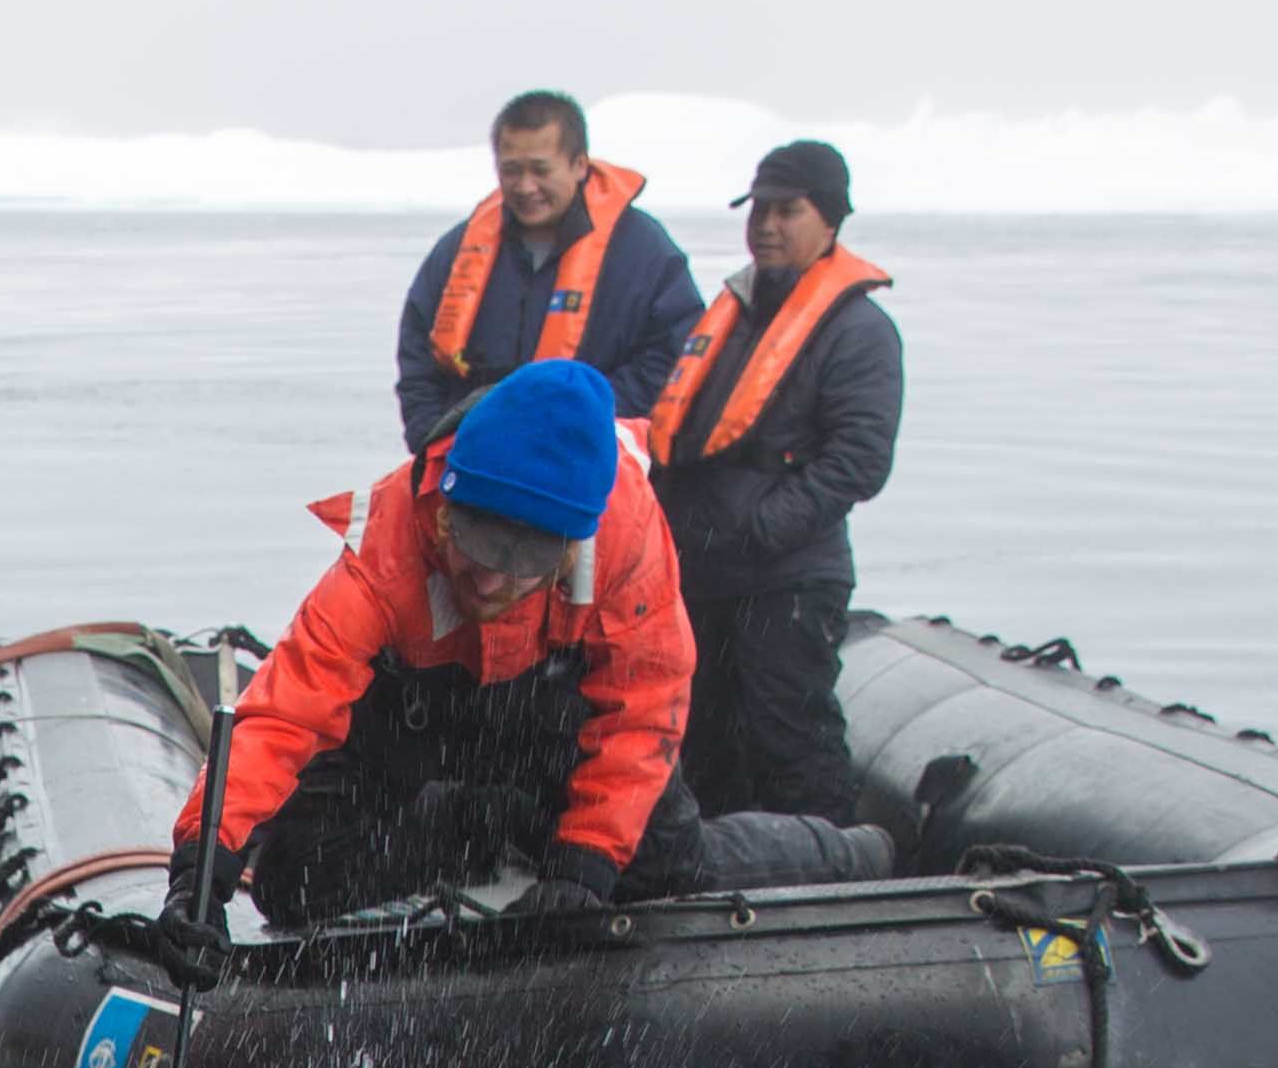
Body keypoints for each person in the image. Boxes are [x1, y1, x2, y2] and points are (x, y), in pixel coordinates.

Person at [175, 358, 888, 930]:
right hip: (420, 711)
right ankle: (494, 824)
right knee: (296, 885)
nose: (487, 581)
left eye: (519, 560)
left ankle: (850, 851)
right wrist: (202, 866)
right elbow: (287, 711)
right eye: (473, 543)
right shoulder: (385, 552)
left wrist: (587, 864)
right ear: (446, 508)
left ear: (569, 548)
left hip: (556, 712)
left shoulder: (627, 540)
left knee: (666, 867)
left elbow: (644, 706)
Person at [648, 141, 902, 824]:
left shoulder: (860, 332)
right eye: (758, 210)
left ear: (831, 220)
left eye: (787, 211)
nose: (765, 225)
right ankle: (718, 869)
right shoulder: (730, 317)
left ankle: (831, 864)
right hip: (701, 572)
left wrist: (757, 531)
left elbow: (859, 462)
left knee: (792, 738)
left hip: (787, 579)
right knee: (702, 742)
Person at [393, 90, 704, 456]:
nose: (525, 186)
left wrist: (578, 419)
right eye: (511, 170)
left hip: (589, 461)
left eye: (540, 170)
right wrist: (434, 439)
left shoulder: (644, 253)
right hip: (471, 462)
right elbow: (418, 356)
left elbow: (675, 355)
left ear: (579, 165)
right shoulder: (457, 251)